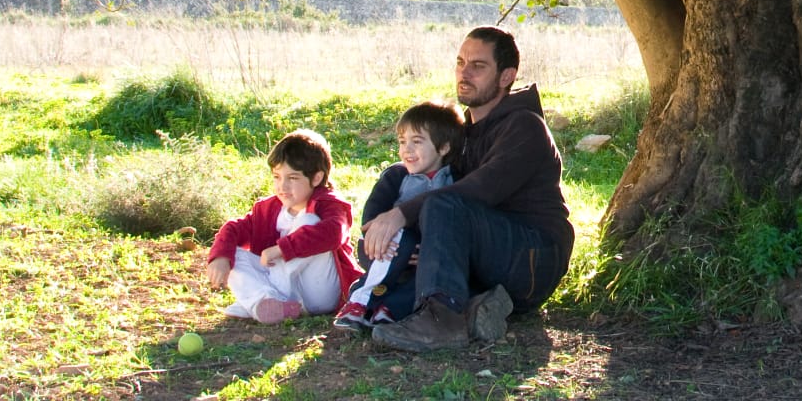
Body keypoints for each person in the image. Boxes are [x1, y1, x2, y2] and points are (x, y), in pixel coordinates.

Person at [362, 26, 573, 351]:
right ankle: (473, 308)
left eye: (478, 66)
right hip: (489, 253)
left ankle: (440, 322)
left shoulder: (525, 126)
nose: (464, 73)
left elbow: (478, 191)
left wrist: (400, 216)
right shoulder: (467, 133)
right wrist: (404, 240)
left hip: (533, 259)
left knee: (442, 205)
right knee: (407, 186)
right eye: (461, 63)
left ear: (506, 76)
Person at [205, 129, 360, 323]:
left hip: (319, 293)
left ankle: (255, 301)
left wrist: (282, 249)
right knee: (231, 253)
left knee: (309, 222)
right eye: (277, 177)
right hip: (283, 289)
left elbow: (333, 233)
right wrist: (220, 257)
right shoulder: (268, 209)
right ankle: (267, 303)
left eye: (292, 178)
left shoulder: (329, 205)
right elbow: (233, 228)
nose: (282, 186)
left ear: (316, 178)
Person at [334, 101, 464, 331]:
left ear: (443, 147)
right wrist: (382, 236)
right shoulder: (396, 176)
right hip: (385, 248)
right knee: (400, 238)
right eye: (403, 142)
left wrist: (431, 249)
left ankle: (390, 309)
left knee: (427, 279)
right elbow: (372, 218)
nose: (407, 150)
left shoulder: (456, 179)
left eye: (417, 142)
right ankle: (359, 301)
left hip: (424, 255)